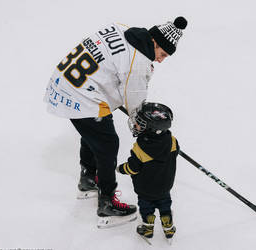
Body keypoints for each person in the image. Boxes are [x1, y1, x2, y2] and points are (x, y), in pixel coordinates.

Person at [43, 17, 187, 225]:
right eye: (162, 54)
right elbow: (135, 104)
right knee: (108, 143)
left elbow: (110, 64)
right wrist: (143, 123)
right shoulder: (139, 63)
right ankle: (107, 203)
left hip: (65, 82)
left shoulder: (123, 29)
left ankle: (88, 179)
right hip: (81, 94)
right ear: (154, 42)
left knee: (94, 132)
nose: (161, 60)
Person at [116, 102, 179, 241]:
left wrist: (120, 168)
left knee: (146, 208)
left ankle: (147, 228)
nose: (135, 125)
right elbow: (175, 154)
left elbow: (132, 168)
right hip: (165, 186)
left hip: (145, 189)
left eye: (140, 123)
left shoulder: (140, 148)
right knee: (165, 205)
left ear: (150, 129)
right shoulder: (173, 141)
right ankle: (168, 227)